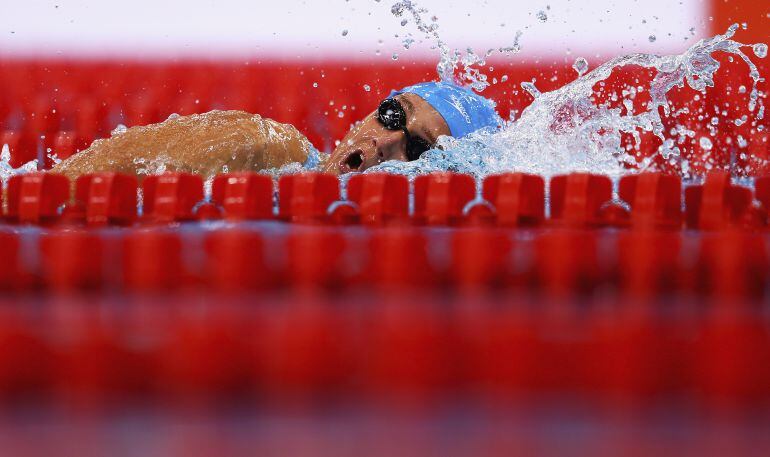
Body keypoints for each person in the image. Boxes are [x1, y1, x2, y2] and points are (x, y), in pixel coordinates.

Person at [52, 81, 501, 180]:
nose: (383, 142)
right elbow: (59, 185)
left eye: (418, 149)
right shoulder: (262, 146)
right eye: (391, 114)